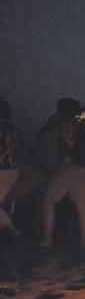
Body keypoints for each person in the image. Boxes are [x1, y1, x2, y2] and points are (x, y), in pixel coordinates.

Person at [40, 109, 85, 248]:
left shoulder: (76, 130)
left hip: (73, 167)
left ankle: (47, 239)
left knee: (49, 198)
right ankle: (83, 242)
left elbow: (59, 143)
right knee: (82, 206)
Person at [0, 99, 21, 237]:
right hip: (13, 170)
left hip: (1, 170)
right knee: (3, 204)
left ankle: (12, 230)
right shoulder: (14, 129)